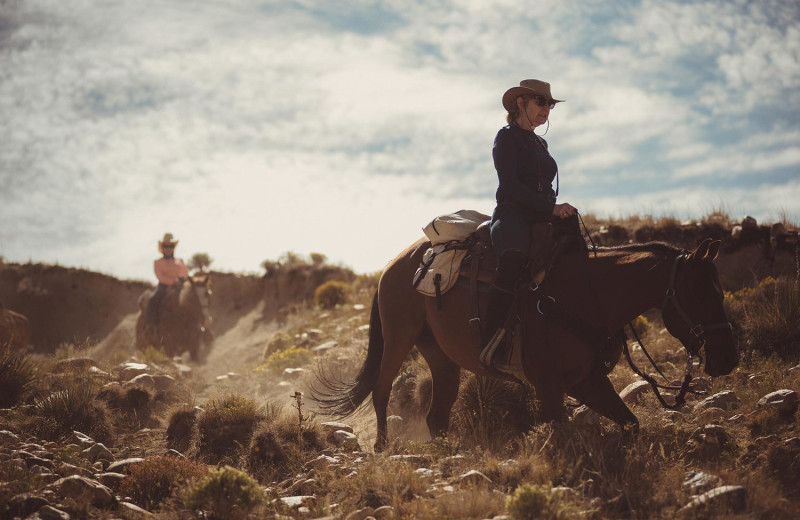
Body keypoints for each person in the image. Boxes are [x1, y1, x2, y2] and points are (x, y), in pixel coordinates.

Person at [484, 79, 577, 351]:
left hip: (541, 214)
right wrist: (550, 208)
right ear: (521, 103)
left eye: (549, 104)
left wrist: (558, 209)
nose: (546, 108)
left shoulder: (541, 145)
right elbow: (510, 186)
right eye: (540, 102)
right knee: (513, 258)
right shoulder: (505, 136)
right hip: (512, 214)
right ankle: (492, 339)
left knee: (576, 254)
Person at [144, 233, 190, 334]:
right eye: (166, 246)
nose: (168, 248)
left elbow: (185, 273)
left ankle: (201, 326)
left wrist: (183, 280)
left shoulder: (180, 261)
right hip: (164, 287)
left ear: (173, 248)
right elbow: (160, 277)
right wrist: (173, 282)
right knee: (152, 300)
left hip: (181, 286)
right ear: (162, 248)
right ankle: (151, 327)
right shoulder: (157, 262)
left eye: (171, 246)